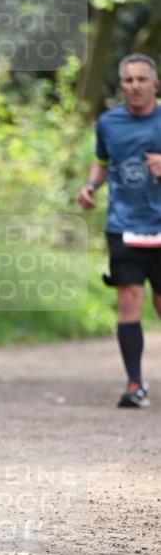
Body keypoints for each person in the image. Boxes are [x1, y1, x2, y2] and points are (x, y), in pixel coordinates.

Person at [78, 53, 161, 407]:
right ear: (122, 85)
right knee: (128, 299)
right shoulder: (108, 123)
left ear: (155, 84)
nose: (135, 86)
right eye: (128, 80)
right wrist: (90, 187)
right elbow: (101, 161)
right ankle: (134, 385)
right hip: (124, 225)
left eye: (142, 80)